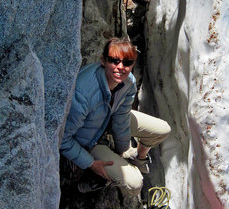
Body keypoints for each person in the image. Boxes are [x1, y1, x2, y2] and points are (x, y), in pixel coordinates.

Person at [60, 37, 171, 195]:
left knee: (162, 129)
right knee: (135, 184)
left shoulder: (128, 83)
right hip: (87, 142)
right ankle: (91, 178)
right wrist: (91, 163)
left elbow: (122, 116)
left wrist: (122, 149)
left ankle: (136, 159)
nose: (121, 67)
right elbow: (63, 139)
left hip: (106, 122)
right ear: (103, 61)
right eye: (114, 60)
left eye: (127, 63)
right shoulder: (83, 93)